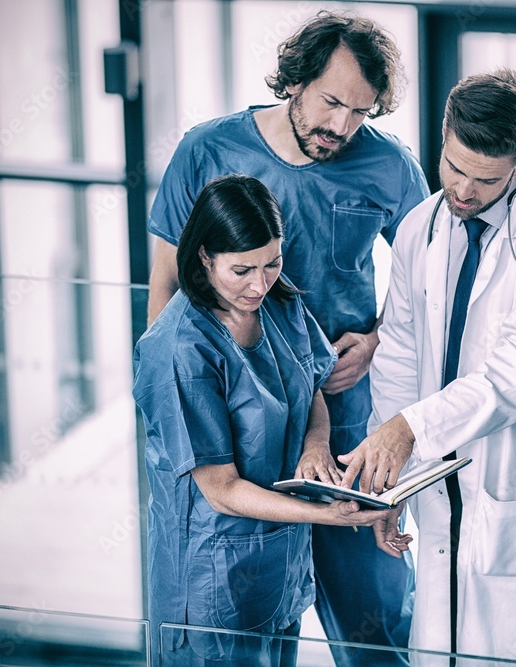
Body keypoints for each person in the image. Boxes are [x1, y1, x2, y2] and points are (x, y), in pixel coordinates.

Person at [145, 11, 428, 665]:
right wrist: (175, 399)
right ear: (295, 80)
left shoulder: (389, 166)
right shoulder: (209, 149)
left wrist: (381, 339)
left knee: (374, 616)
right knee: (240, 614)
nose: (342, 126)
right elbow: (165, 284)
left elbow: (426, 280)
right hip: (232, 415)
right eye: (332, 102)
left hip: (343, 414)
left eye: (362, 112)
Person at [338, 69, 516, 666]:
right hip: (440, 482)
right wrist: (390, 474)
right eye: (453, 167)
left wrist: (411, 430)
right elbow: (398, 356)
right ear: (442, 138)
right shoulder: (420, 227)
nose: (464, 190)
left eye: (486, 178)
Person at [133, 174, 405, 667]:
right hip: (213, 582)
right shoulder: (179, 349)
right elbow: (221, 490)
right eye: (242, 270)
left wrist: (316, 446)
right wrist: (328, 515)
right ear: (203, 258)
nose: (260, 284)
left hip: (278, 567)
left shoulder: (279, 302)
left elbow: (313, 387)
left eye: (272, 263)